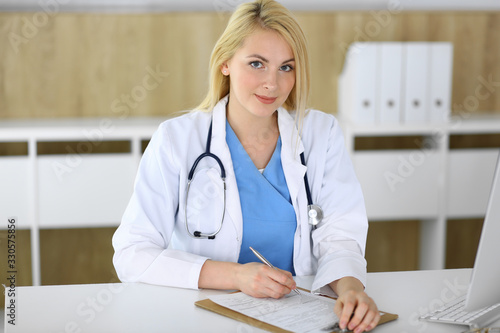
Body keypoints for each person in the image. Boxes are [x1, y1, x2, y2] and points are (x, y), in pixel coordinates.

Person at [112, 0, 380, 331]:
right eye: (257, 64)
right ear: (225, 62)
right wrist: (237, 275)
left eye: (286, 67)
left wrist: (352, 292)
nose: (273, 84)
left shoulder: (320, 134)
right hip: (205, 318)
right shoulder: (177, 140)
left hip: (301, 318)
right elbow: (132, 253)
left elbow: (340, 234)